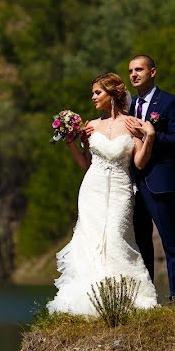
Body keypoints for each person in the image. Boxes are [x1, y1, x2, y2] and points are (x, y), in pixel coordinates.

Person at [46, 73, 159, 315]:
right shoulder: (91, 126)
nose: (93, 97)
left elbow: (139, 163)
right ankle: (92, 298)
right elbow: (87, 164)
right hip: (92, 188)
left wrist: (149, 136)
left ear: (112, 94)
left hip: (120, 187)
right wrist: (71, 143)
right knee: (91, 240)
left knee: (117, 236)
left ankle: (126, 296)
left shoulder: (132, 124)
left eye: (97, 92)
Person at [123, 55, 175, 299]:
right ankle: (146, 299)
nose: (134, 74)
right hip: (132, 184)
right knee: (141, 244)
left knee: (172, 243)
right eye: (130, 71)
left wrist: (151, 134)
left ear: (153, 72)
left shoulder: (170, 102)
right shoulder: (128, 107)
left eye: (139, 69)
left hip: (160, 182)